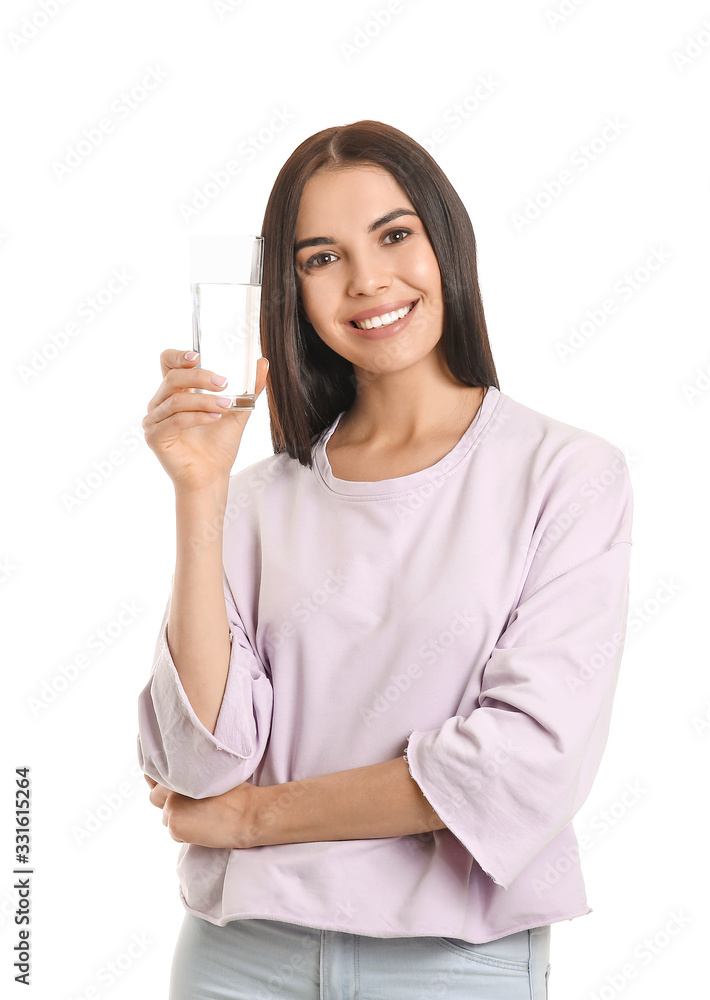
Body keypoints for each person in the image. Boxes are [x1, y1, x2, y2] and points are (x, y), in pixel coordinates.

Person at [136, 119, 633, 1000]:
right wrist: (199, 492)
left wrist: (254, 819)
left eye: (393, 235)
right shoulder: (254, 500)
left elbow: (520, 766)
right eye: (321, 257)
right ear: (288, 289)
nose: (367, 282)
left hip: (452, 964)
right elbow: (201, 765)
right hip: (240, 957)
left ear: (445, 244)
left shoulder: (565, 475)